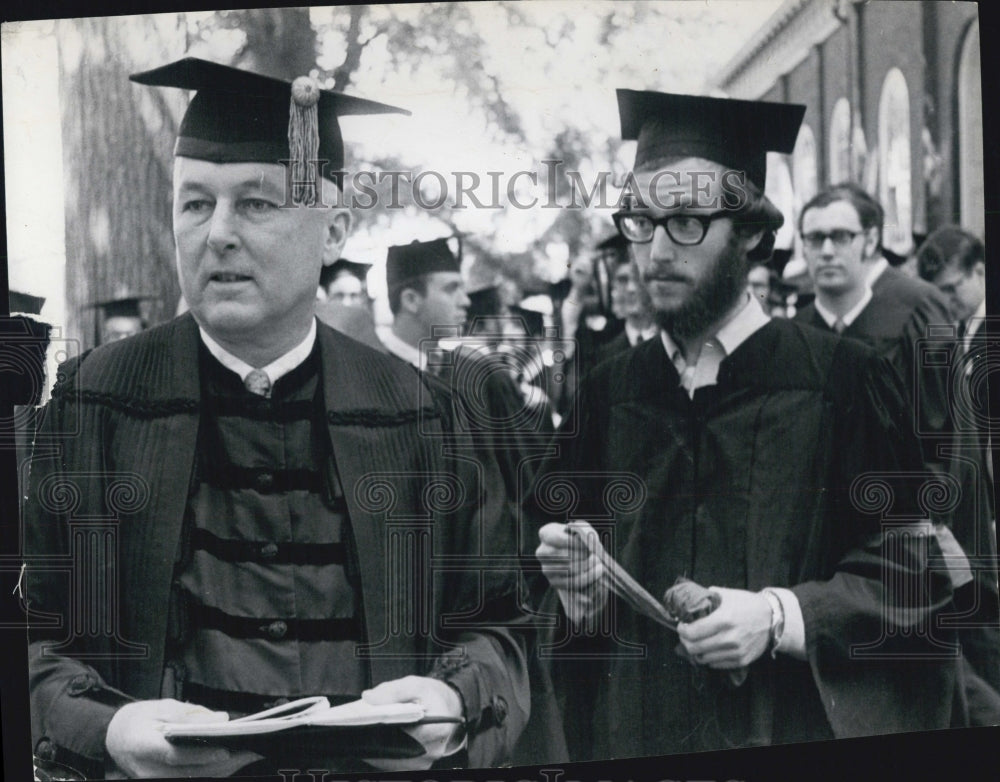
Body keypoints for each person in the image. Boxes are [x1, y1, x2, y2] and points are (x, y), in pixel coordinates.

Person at [24, 57, 530, 778]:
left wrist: (452, 701)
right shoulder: (93, 406)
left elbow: (498, 629)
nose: (218, 233)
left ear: (334, 232)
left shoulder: (421, 417)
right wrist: (105, 727)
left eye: (256, 203)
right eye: (195, 203)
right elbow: (32, 637)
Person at [527, 89, 960, 761]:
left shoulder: (846, 381)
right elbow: (553, 588)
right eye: (642, 221)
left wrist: (781, 615)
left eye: (688, 222)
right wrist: (578, 594)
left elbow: (914, 569)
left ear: (753, 231)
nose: (657, 251)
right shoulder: (609, 392)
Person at [917, 225, 1000, 712]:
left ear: (981, 273)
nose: (946, 301)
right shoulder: (956, 334)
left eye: (952, 289)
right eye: (938, 293)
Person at [595, 243, 658, 365]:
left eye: (638, 278)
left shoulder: (674, 346)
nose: (631, 288)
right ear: (613, 285)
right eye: (623, 280)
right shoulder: (602, 356)